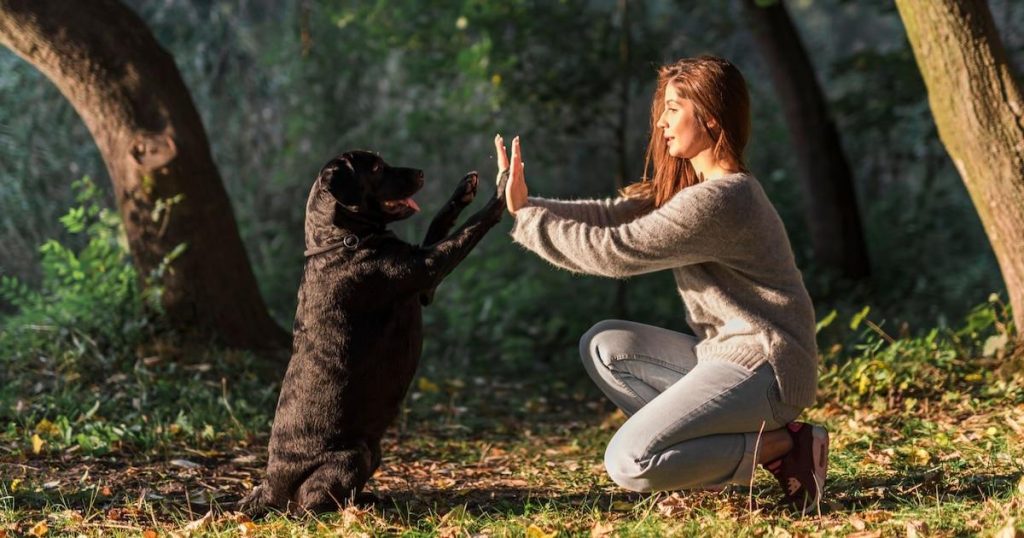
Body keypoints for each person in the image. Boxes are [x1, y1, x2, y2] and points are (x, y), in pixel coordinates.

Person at [493, 55, 828, 513]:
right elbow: (613, 215)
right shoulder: (700, 190)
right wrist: (527, 205)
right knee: (605, 345)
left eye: (673, 109)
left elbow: (614, 250)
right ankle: (700, 459)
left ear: (710, 116)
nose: (662, 124)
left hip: (768, 368)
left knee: (630, 462)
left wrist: (529, 220)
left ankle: (780, 448)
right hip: (727, 356)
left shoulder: (723, 200)